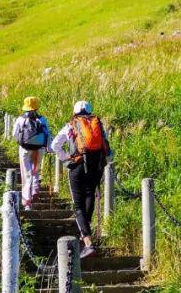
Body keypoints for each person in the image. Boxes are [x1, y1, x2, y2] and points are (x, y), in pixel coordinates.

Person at [51, 100, 113, 259]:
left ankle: (88, 243)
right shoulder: (97, 124)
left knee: (78, 205)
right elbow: (108, 149)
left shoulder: (70, 125)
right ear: (90, 111)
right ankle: (85, 234)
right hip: (96, 166)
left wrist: (66, 159)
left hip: (77, 166)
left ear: (75, 111)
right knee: (90, 195)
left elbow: (54, 145)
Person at [12, 96, 52, 210]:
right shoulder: (42, 119)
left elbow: (14, 134)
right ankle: (35, 190)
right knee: (35, 170)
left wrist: (22, 141)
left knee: (26, 174)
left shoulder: (21, 119)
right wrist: (49, 148)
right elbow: (47, 134)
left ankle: (27, 202)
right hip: (39, 149)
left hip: (25, 149)